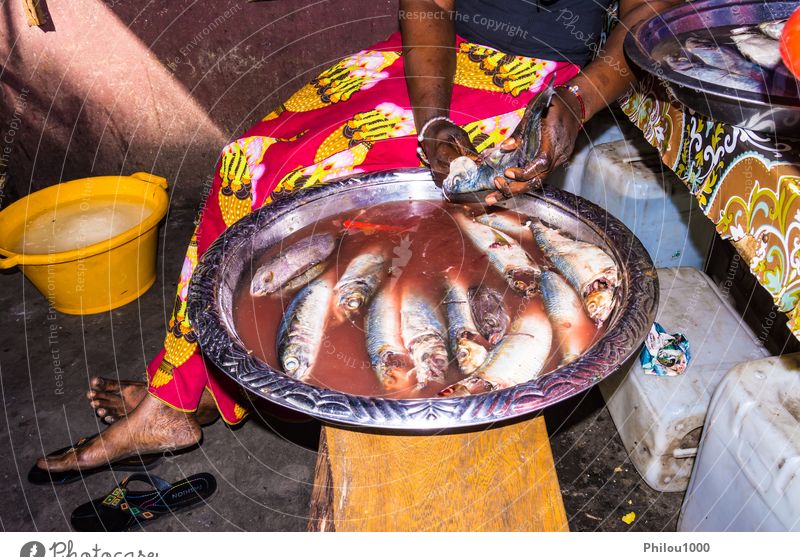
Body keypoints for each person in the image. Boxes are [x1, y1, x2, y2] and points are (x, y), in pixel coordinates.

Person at [37, 0, 678, 473]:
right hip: (437, 62)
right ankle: (188, 390)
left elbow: (652, 14)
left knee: (323, 189)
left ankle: (180, 401)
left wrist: (577, 100)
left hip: (546, 82)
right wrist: (432, 122)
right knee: (249, 159)